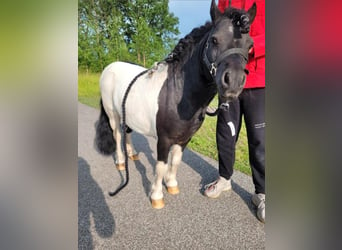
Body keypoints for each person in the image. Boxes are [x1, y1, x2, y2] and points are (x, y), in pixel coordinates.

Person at [204, 0, 265, 223]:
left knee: (259, 139)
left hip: (258, 79)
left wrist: (251, 45)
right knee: (225, 133)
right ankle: (224, 178)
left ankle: (263, 192)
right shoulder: (224, 1)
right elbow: (218, 32)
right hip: (228, 78)